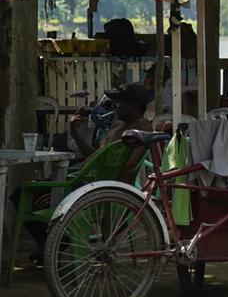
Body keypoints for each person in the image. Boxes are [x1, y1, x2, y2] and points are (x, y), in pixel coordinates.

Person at [13, 83, 152, 261]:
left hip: (98, 189)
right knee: (25, 193)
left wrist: (99, 172)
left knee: (26, 195)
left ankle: (54, 244)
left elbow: (126, 166)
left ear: (133, 105)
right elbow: (95, 156)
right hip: (86, 182)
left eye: (120, 102)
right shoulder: (118, 128)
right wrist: (75, 133)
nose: (116, 106)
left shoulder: (142, 128)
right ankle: (52, 243)